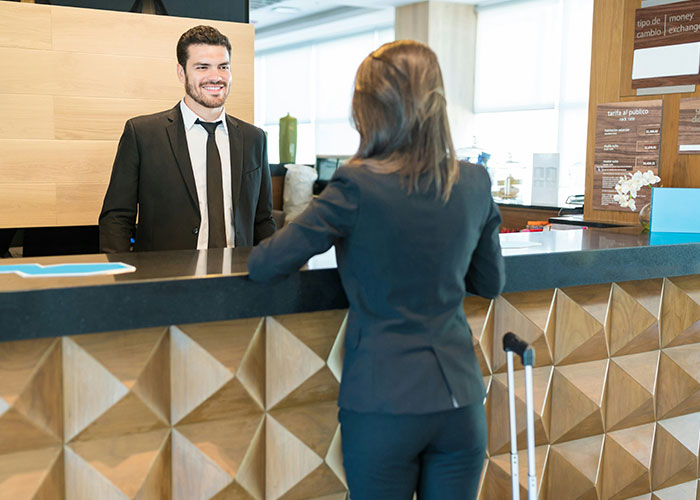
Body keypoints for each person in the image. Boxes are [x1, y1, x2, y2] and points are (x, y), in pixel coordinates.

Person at [248, 40, 505, 500]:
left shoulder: (356, 183)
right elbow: (489, 282)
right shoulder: (473, 181)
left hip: (383, 403)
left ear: (369, 110)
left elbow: (267, 263)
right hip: (460, 403)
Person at [99, 25, 275, 253]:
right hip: (165, 281)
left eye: (223, 67)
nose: (215, 77)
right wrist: (120, 282)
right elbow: (117, 219)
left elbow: (263, 220)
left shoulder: (254, 138)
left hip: (237, 281)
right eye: (202, 67)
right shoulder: (142, 134)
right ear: (181, 72)